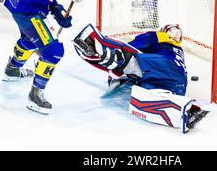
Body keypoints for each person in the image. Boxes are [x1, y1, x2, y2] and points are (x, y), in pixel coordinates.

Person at [3, 0, 86, 115]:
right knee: (53, 51)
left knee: (29, 39)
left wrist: (54, 7)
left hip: (21, 3)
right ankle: (35, 95)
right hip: (28, 10)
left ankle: (13, 69)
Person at [73, 23, 209, 133]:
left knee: (126, 59)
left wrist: (116, 64)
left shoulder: (160, 36)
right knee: (143, 97)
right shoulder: (177, 50)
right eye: (173, 30)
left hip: (165, 68)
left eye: (176, 30)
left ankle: (102, 53)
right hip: (178, 85)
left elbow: (132, 47)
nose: (175, 32)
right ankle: (184, 111)